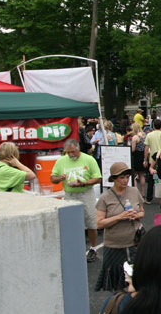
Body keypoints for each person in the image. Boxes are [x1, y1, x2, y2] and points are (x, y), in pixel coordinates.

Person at [95, 162, 145, 291]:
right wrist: (119, 217)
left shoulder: (134, 191)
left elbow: (142, 211)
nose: (125, 180)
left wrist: (136, 215)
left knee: (137, 281)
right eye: (121, 177)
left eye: (127, 177)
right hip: (114, 246)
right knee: (117, 284)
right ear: (114, 179)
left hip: (134, 243)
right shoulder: (105, 197)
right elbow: (99, 223)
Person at [51, 139, 102, 261]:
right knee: (71, 223)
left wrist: (83, 183)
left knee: (91, 221)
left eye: (73, 152)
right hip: (70, 194)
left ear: (78, 148)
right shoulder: (61, 161)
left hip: (86, 193)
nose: (70, 155)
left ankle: (93, 247)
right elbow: (53, 178)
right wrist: (59, 178)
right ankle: (74, 248)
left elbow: (98, 178)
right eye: (67, 152)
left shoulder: (88, 159)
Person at [129, 124, 147, 199]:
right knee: (141, 174)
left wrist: (129, 145)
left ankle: (135, 193)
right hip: (143, 155)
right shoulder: (144, 135)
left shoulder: (135, 137)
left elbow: (132, 149)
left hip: (136, 156)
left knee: (134, 175)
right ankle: (143, 192)